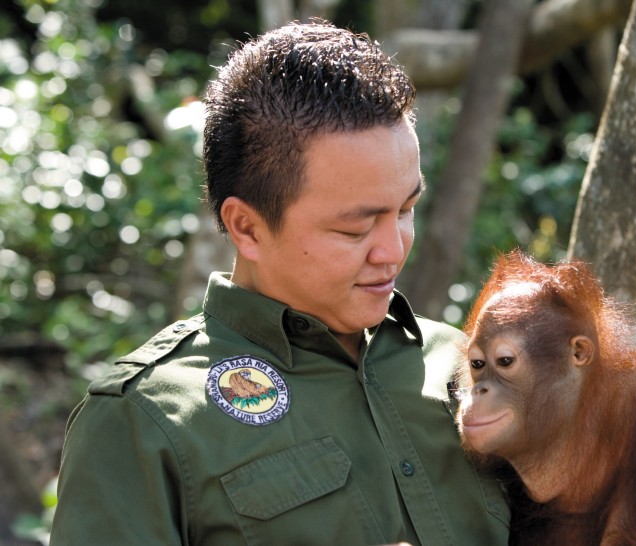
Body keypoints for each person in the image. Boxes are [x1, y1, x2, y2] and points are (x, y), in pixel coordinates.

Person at [50, 20, 510, 546]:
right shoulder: (141, 421)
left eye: (406, 209)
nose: (393, 250)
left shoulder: (469, 367)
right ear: (247, 226)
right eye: (354, 227)